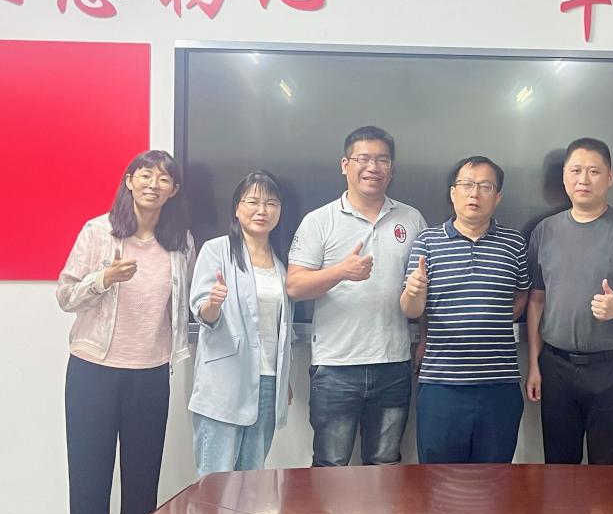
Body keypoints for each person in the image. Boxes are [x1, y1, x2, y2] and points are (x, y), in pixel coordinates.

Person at [56, 150, 193, 514]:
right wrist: (103, 279)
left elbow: (183, 306)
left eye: (164, 179)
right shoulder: (99, 231)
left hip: (151, 372)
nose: (153, 184)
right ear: (129, 181)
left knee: (142, 486)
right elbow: (65, 296)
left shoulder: (181, 243)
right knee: (89, 481)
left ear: (174, 190)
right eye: (145, 175)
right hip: (93, 372)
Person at [287, 126, 426, 467]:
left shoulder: (411, 219)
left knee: (384, 467)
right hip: (335, 367)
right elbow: (295, 286)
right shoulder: (319, 221)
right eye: (363, 158)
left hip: (393, 364)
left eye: (382, 160)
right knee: (330, 467)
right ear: (345, 165)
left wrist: (425, 338)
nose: (373, 167)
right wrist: (341, 272)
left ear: (391, 169)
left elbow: (423, 286)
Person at [526, 137, 613, 465]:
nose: (583, 179)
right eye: (575, 171)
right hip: (556, 366)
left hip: (612, 368)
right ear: (564, 177)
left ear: (610, 177)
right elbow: (537, 300)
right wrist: (534, 364)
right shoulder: (544, 232)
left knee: (609, 470)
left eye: (594, 171)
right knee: (558, 469)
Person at [400, 156, 531, 463]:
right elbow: (411, 309)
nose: (475, 194)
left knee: (495, 478)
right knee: (439, 479)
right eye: (467, 184)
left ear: (497, 197)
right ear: (453, 192)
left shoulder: (514, 244)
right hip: (441, 385)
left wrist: (491, 320)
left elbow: (523, 294)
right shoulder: (427, 242)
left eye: (485, 186)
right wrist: (414, 291)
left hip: (499, 384)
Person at [189, 171, 294, 477]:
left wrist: (283, 375)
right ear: (236, 208)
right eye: (253, 202)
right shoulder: (217, 250)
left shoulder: (281, 262)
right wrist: (212, 304)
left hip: (268, 382)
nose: (262, 210)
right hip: (225, 380)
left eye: (271, 203)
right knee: (216, 480)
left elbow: (279, 329)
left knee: (253, 479)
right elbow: (202, 312)